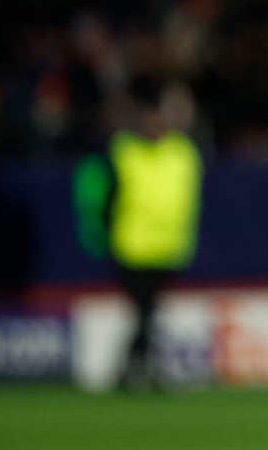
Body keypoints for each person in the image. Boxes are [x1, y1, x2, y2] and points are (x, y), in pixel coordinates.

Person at [74, 76, 204, 390]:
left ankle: (137, 370)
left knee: (146, 314)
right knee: (146, 312)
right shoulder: (123, 152)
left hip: (167, 248)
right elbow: (96, 188)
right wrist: (97, 233)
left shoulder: (182, 153)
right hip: (132, 247)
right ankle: (138, 370)